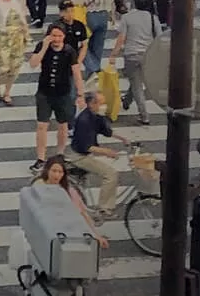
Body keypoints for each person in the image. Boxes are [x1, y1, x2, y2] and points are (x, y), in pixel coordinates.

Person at [65, 88, 130, 217]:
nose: (103, 106)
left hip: (83, 152)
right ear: (91, 104)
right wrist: (107, 152)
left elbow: (107, 131)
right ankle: (104, 208)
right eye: (100, 103)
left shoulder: (95, 116)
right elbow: (87, 147)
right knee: (110, 174)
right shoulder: (84, 120)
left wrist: (124, 139)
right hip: (78, 156)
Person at [29, 23, 83, 172]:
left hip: (63, 93)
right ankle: (40, 158)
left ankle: (60, 153)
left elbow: (77, 73)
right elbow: (33, 63)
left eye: (60, 36)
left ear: (64, 37)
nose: (57, 39)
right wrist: (45, 46)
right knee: (41, 125)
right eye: (54, 35)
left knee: (62, 124)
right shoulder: (42, 46)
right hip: (44, 92)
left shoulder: (69, 51)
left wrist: (80, 94)